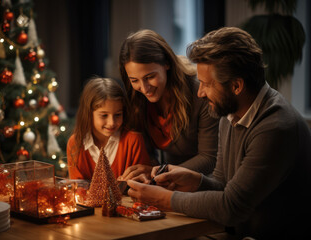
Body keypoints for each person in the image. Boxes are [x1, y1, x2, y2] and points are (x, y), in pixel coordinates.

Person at [126, 27, 311, 239]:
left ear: (236, 86)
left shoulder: (275, 127)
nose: (200, 92)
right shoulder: (229, 112)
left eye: (206, 84)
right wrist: (195, 180)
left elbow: (231, 207)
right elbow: (223, 185)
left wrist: (166, 199)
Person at [118, 29, 219, 181]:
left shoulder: (200, 94)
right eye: (134, 80)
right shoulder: (137, 98)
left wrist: (159, 172)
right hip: (166, 181)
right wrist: (152, 170)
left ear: (166, 63)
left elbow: (209, 158)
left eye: (150, 77)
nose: (144, 89)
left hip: (203, 183)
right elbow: (147, 152)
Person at [67, 77, 152, 180]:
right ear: (88, 114)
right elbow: (77, 188)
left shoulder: (133, 141)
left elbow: (144, 182)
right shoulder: (75, 143)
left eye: (117, 115)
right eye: (104, 115)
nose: (112, 123)